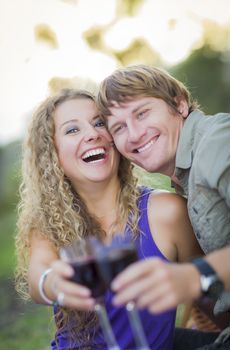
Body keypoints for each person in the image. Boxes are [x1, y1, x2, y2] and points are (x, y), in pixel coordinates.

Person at [15, 88, 203, 350]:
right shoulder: (48, 225)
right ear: (52, 155)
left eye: (99, 123)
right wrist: (53, 282)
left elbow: (207, 288)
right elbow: (39, 276)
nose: (92, 134)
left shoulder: (167, 212)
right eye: (72, 130)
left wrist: (196, 329)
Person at [97, 64, 230, 349]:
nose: (134, 134)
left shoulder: (217, 141)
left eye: (142, 113)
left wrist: (194, 276)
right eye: (119, 128)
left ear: (179, 105)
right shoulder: (185, 178)